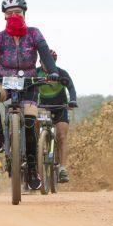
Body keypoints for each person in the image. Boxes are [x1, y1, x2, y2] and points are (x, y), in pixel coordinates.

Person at [0, 0, 59, 191]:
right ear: (4, 17)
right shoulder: (0, 37)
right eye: (9, 14)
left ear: (24, 14)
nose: (14, 16)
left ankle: (32, 171)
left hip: (29, 83)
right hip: (4, 80)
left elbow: (45, 54)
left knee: (29, 124)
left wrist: (52, 72)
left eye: (17, 13)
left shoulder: (34, 34)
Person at [37, 50, 78, 182]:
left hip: (61, 107)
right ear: (40, 62)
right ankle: (38, 147)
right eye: (45, 62)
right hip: (44, 108)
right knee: (34, 121)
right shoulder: (36, 73)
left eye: (51, 62)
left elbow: (71, 88)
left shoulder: (62, 73)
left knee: (62, 136)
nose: (48, 65)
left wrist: (72, 100)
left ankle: (62, 168)